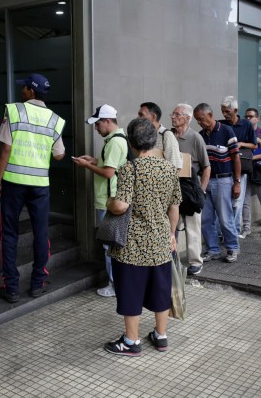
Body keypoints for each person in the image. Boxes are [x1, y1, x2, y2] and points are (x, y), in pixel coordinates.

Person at [103, 118, 181, 356]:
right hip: (160, 242)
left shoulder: (130, 168)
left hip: (133, 245)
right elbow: (174, 206)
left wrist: (109, 202)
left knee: (131, 290)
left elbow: (121, 206)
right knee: (160, 288)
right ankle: (161, 335)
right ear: (154, 140)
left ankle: (131, 341)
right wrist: (171, 234)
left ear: (131, 142)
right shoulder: (169, 168)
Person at [0, 73, 65, 302]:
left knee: (10, 233)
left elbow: (5, 149)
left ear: (31, 92)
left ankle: (11, 288)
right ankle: (37, 284)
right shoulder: (54, 119)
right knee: (41, 233)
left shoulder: (14, 111)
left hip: (14, 183)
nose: (22, 90)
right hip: (40, 186)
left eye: (24, 88)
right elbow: (60, 154)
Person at [73, 104, 128, 298]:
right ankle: (119, 285)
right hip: (114, 200)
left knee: (109, 246)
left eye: (97, 124)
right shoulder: (119, 139)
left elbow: (108, 172)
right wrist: (95, 160)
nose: (96, 128)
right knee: (115, 245)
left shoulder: (114, 142)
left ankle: (114, 286)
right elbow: (112, 165)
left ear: (107, 121)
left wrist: (86, 165)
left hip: (109, 201)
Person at [194, 103, 241, 263]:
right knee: (206, 218)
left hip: (224, 180)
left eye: (201, 119)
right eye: (197, 120)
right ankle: (213, 249)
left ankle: (232, 248)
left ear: (210, 115)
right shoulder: (200, 135)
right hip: (206, 181)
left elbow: (236, 158)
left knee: (225, 218)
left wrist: (237, 182)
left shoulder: (226, 131)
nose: (200, 123)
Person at [171, 103, 210, 276]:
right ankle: (172, 257)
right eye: (173, 114)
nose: (173, 117)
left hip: (190, 186)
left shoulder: (195, 138)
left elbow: (206, 166)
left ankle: (195, 261)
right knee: (171, 225)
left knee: (193, 226)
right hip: (172, 187)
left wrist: (201, 190)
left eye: (177, 114)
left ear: (187, 118)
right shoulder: (168, 136)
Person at [219, 96, 257, 236]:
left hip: (240, 167)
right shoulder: (221, 124)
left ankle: (234, 232)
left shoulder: (246, 124)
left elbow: (254, 144)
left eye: (227, 111)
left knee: (237, 202)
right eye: (222, 111)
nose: (224, 114)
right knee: (224, 202)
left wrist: (240, 144)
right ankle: (224, 232)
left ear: (235, 110)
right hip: (224, 167)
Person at [240, 108, 261, 237]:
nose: (248, 119)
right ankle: (246, 227)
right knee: (245, 200)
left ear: (257, 119)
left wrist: (254, 155)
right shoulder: (242, 132)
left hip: (258, 169)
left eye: (251, 116)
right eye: (246, 116)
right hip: (245, 169)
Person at [137, 102, 182, 170]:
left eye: (141, 115)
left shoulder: (167, 135)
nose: (138, 118)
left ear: (154, 117)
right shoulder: (142, 136)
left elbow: (175, 166)